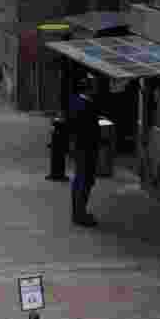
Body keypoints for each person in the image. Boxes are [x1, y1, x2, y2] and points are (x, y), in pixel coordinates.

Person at [69, 82, 101, 227]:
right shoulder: (86, 106)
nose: (96, 90)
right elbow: (89, 129)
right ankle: (80, 214)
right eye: (93, 88)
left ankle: (78, 212)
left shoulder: (76, 101)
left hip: (79, 147)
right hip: (86, 149)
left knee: (80, 179)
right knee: (85, 180)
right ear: (88, 89)